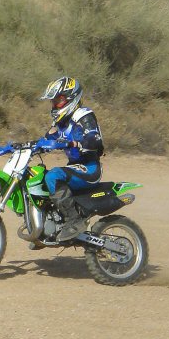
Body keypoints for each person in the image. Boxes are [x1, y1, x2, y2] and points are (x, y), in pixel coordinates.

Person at [37, 76, 104, 241]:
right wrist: (24, 147)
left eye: (58, 100)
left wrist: (73, 143)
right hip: (75, 167)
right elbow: (47, 140)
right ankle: (45, 228)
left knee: (53, 175)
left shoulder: (83, 115)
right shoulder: (61, 123)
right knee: (36, 175)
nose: (54, 105)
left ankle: (74, 220)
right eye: (53, 101)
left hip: (89, 168)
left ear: (71, 98)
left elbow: (94, 139)